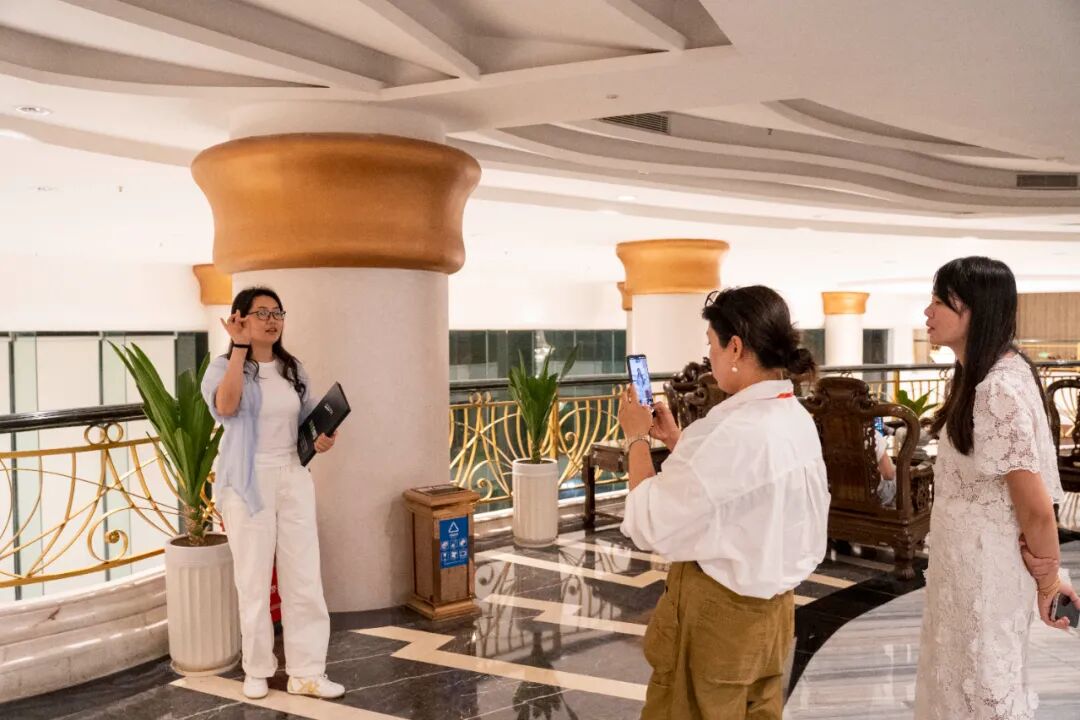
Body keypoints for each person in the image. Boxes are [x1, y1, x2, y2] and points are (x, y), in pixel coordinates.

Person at [618, 285, 830, 720]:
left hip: (718, 618)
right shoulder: (795, 416)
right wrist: (678, 441)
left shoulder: (730, 431)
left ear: (735, 347)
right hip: (774, 615)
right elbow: (741, 491)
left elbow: (648, 522)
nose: (709, 358)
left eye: (711, 346)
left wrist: (635, 437)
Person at [914, 257, 1078, 719]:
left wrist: (1049, 581)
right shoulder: (992, 373)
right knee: (962, 685)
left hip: (983, 574)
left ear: (974, 310)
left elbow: (1036, 507)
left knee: (983, 690)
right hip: (964, 565)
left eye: (939, 301)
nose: (927, 311)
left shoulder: (996, 389)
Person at [201, 286, 344, 701]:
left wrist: (322, 437)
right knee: (253, 580)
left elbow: (307, 420)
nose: (272, 320)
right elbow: (226, 407)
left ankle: (307, 672)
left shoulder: (292, 369)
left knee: (304, 576)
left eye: (277, 312)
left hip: (293, 474)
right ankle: (257, 669)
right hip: (248, 481)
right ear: (239, 319)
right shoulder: (223, 367)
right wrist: (239, 350)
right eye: (261, 313)